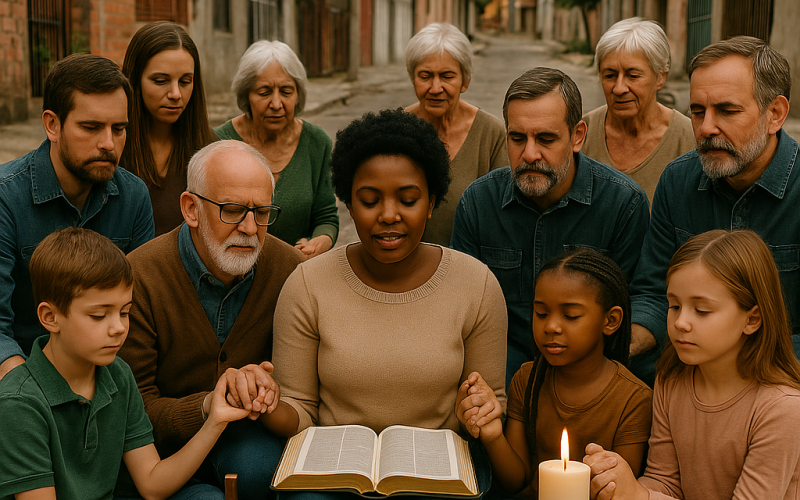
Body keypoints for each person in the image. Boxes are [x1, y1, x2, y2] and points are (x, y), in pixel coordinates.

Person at [236, 108, 507, 499]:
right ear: (348, 203)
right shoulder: (308, 285)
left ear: (432, 202)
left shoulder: (476, 284)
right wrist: (267, 402)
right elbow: (300, 412)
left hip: (435, 476)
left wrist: (479, 411)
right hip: (332, 478)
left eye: (408, 199)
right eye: (369, 200)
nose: (389, 215)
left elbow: (489, 402)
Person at [0, 227, 254, 500]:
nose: (119, 328)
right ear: (50, 317)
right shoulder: (19, 402)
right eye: (99, 315)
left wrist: (214, 421)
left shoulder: (118, 373)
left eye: (125, 312)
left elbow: (152, 483)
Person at [117, 140, 305, 499]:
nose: (250, 228)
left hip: (246, 435)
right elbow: (133, 406)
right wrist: (207, 404)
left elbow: (301, 385)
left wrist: (265, 387)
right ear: (191, 208)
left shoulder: (291, 270)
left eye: (262, 212)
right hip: (159, 453)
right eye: (233, 210)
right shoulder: (139, 276)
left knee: (259, 471)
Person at [451, 67, 650, 387]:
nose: (529, 154)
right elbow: (459, 308)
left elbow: (640, 297)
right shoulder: (478, 203)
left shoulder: (622, 204)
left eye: (546, 138)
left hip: (590, 364)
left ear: (578, 136)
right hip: (502, 364)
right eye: (517, 138)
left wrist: (598, 367)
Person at [628, 36, 798, 386]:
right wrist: (625, 340)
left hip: (781, 383)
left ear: (775, 114)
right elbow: (653, 291)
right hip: (690, 374)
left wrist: (735, 369)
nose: (706, 128)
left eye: (727, 111)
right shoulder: (678, 181)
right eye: (696, 111)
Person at [585, 230, 800, 500]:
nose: (680, 323)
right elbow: (664, 480)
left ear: (752, 319)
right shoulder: (672, 379)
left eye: (701, 310)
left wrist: (639, 496)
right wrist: (619, 485)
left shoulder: (783, 409)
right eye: (674, 305)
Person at [0, 53, 154, 380]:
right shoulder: (6, 198)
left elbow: (140, 314)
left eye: (119, 128)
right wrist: (28, 397)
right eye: (91, 127)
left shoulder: (133, 196)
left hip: (108, 382)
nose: (108, 143)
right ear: (52, 125)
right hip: (23, 382)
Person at [458, 248, 652, 499]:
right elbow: (515, 482)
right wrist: (493, 435)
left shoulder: (633, 399)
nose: (550, 326)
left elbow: (618, 490)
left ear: (611, 320)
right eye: (541, 313)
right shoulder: (527, 379)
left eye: (570, 315)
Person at [215, 40, 338, 257]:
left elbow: (326, 217)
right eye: (264, 92)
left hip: (295, 269)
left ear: (298, 94)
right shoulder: (218, 143)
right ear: (246, 96)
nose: (276, 104)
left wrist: (320, 241)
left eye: (286, 91)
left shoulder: (316, 142)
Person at [404, 22, 507, 246]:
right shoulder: (396, 128)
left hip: (471, 264)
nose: (435, 88)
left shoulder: (491, 133)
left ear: (465, 81)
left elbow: (502, 213)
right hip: (404, 265)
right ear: (413, 78)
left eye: (447, 76)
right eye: (425, 76)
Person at [581, 18, 694, 204]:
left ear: (660, 78)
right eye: (609, 75)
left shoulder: (688, 139)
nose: (618, 88)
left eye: (632, 76)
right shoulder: (583, 133)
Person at [122, 21, 217, 236]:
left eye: (185, 81)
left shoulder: (209, 149)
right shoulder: (111, 144)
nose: (175, 93)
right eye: (161, 80)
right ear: (135, 79)